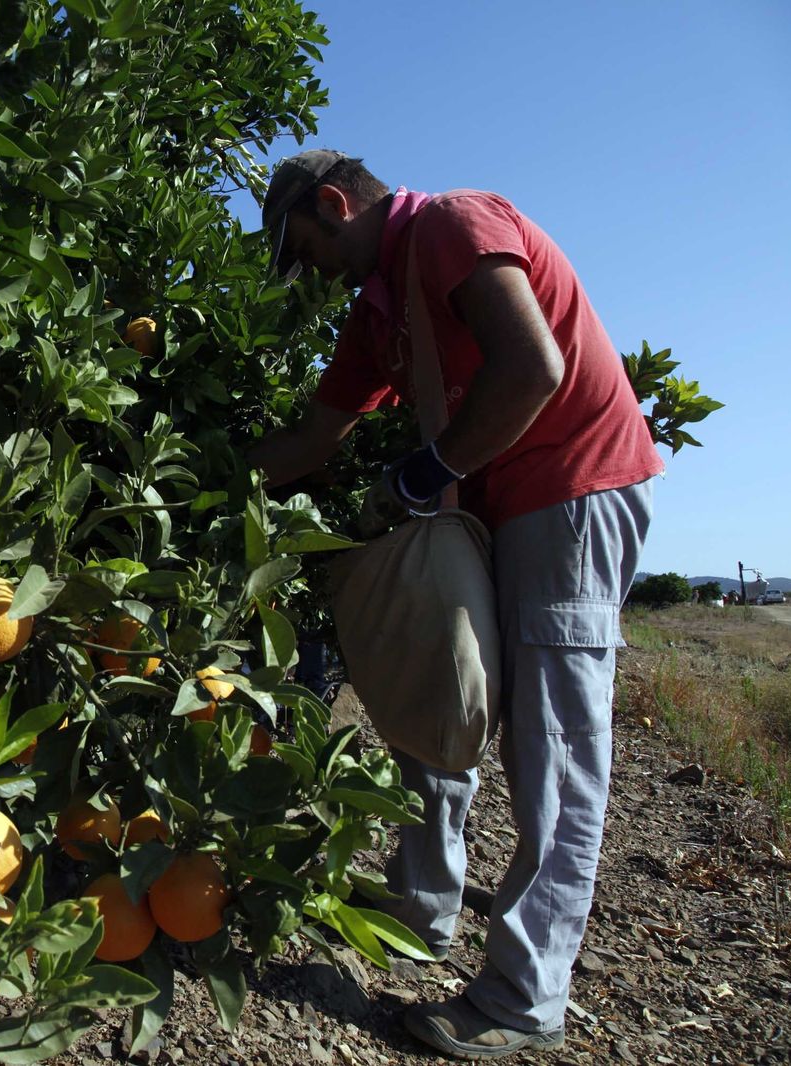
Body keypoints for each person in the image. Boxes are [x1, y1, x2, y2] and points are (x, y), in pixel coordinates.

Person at [248, 150, 661, 1059]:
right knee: (438, 693)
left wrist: (429, 469)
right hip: (482, 506)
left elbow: (534, 368)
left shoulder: (452, 224)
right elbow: (318, 436)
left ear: (336, 203)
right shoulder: (378, 309)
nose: (314, 273)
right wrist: (206, 495)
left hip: (572, 489)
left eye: (311, 249)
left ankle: (523, 998)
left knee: (550, 745)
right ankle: (417, 910)